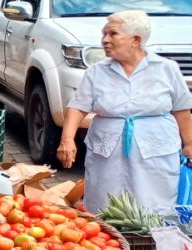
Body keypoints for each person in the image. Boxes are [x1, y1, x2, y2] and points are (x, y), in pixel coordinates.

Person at [56, 10, 192, 214]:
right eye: (104, 34)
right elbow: (78, 106)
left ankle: (152, 242)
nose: (104, 40)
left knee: (155, 203)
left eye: (112, 34)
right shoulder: (97, 71)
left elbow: (182, 109)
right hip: (107, 149)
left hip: (155, 147)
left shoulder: (166, 69)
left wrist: (189, 143)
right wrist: (67, 139)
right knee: (105, 201)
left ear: (135, 39)